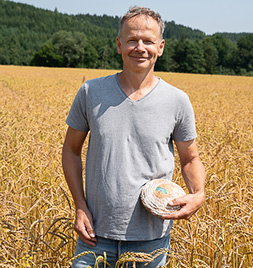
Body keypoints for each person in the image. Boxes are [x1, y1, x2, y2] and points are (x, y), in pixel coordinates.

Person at [62, 6, 206, 268]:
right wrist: (80, 206)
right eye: (132, 40)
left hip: (150, 240)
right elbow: (71, 150)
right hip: (94, 235)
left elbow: (190, 158)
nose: (140, 47)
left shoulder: (177, 100)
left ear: (160, 47)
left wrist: (198, 194)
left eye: (148, 41)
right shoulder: (90, 92)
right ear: (119, 44)